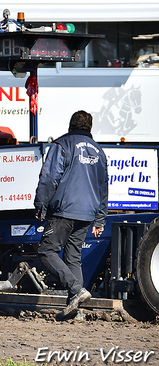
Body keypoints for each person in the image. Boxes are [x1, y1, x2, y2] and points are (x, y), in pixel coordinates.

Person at [33, 110, 108, 320]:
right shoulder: (99, 151)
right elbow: (103, 187)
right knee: (73, 258)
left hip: (64, 209)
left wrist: (41, 205)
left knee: (46, 251)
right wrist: (100, 217)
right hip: (87, 213)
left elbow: (49, 177)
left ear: (70, 126)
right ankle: (75, 311)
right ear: (90, 128)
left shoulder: (62, 145)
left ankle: (76, 290)